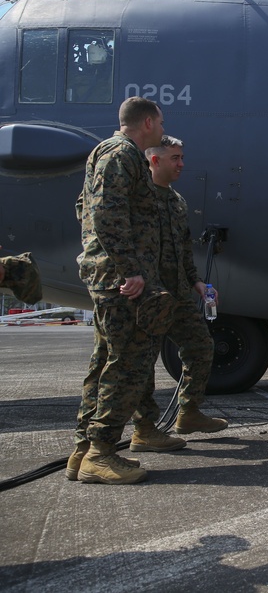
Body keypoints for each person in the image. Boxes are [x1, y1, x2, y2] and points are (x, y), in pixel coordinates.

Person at [69, 96, 167, 484]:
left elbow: (84, 206)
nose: (161, 129)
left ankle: (83, 449)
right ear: (146, 122)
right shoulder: (122, 154)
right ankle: (101, 452)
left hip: (109, 275)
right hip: (121, 281)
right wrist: (130, 268)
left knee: (106, 360)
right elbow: (106, 211)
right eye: (159, 123)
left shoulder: (106, 153)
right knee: (129, 363)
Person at [132, 134, 227, 439]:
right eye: (175, 158)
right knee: (143, 362)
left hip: (178, 292)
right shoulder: (136, 196)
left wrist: (196, 280)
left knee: (201, 346)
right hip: (147, 294)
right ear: (155, 160)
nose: (182, 164)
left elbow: (184, 249)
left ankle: (189, 413)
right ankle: (144, 429)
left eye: (182, 157)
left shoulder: (176, 201)